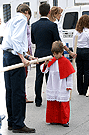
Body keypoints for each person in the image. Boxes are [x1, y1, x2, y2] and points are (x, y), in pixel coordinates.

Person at [2, 4, 35, 133]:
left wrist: (27, 55)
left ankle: (11, 122)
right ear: (26, 12)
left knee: (10, 90)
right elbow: (17, 39)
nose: (28, 19)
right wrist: (23, 58)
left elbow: (12, 41)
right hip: (15, 57)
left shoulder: (11, 20)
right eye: (29, 16)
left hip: (7, 55)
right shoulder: (22, 19)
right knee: (18, 91)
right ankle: (18, 124)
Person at [31, 3, 61, 107]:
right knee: (50, 77)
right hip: (50, 54)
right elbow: (57, 40)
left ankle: (38, 100)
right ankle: (50, 98)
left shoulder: (34, 25)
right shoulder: (53, 25)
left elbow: (33, 41)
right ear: (49, 12)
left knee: (38, 78)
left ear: (39, 12)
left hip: (38, 54)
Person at [40, 41, 75, 126]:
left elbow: (69, 75)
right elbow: (43, 70)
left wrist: (69, 85)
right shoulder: (51, 60)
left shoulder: (66, 61)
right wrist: (46, 64)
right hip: (52, 84)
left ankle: (64, 120)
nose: (55, 55)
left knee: (63, 104)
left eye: (57, 53)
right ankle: (53, 119)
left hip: (62, 85)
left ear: (62, 52)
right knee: (53, 103)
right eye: (54, 53)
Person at [73, 14, 89, 96]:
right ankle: (86, 89)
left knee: (79, 71)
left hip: (78, 51)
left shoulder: (76, 31)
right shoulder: (88, 32)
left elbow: (74, 43)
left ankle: (80, 90)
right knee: (87, 71)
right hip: (87, 51)